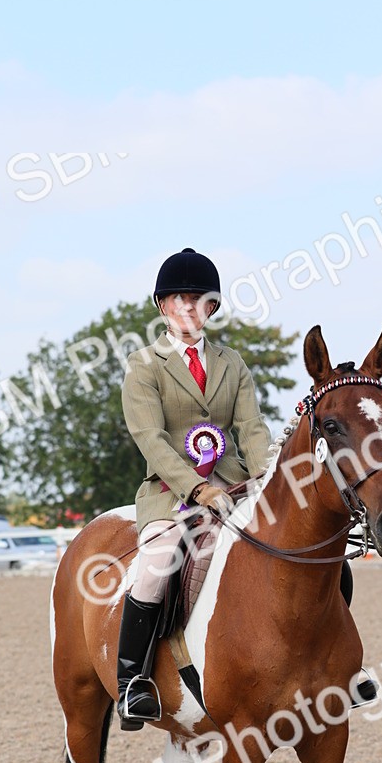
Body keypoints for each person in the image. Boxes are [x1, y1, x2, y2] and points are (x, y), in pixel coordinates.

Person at [117, 248, 273, 728]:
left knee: (301, 543)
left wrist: (270, 476)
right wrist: (195, 489)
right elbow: (151, 439)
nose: (189, 307)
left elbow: (251, 428)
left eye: (199, 300)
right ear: (162, 306)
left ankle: (337, 665)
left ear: (212, 308)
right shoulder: (144, 365)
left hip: (235, 487)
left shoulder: (233, 364)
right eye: (178, 299)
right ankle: (132, 681)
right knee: (157, 563)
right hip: (170, 492)